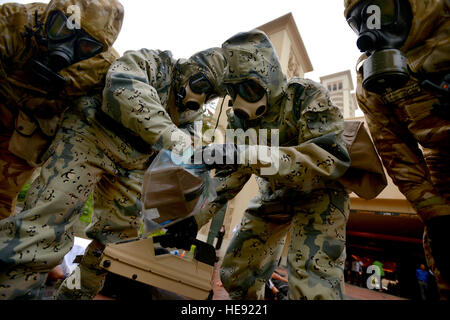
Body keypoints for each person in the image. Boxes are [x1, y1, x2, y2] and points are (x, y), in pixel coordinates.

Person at [0, 42, 227, 299]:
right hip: (89, 136)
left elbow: (181, 161)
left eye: (210, 95)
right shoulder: (153, 63)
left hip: (134, 163)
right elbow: (122, 88)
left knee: (113, 251)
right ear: (190, 68)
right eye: (201, 85)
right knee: (44, 225)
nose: (199, 97)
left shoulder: (190, 115)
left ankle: (72, 296)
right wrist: (180, 144)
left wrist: (182, 214)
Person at [189, 30, 351, 300]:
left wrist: (245, 153)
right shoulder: (240, 121)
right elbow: (228, 180)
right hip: (275, 195)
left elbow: (326, 162)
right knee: (238, 272)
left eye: (249, 88)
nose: (242, 99)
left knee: (314, 284)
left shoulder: (306, 95)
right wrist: (190, 220)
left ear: (270, 77)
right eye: (234, 90)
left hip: (320, 196)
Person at [344, 0, 450, 299]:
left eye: (383, 12)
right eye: (359, 21)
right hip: (441, 157)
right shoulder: (371, 79)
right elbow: (395, 151)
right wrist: (436, 216)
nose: (372, 28)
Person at [0, 0, 123, 220]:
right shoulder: (14, 21)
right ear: (47, 17)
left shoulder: (104, 68)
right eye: (62, 29)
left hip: (29, 132)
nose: (67, 46)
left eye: (85, 45)